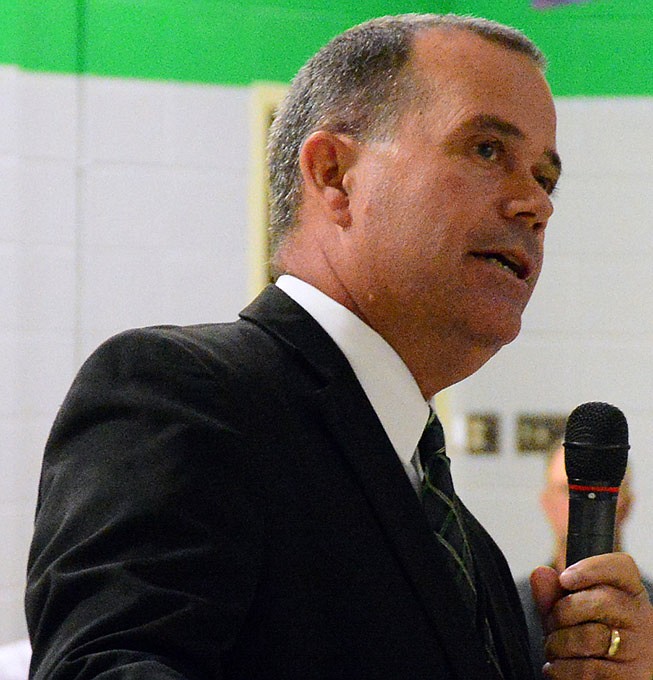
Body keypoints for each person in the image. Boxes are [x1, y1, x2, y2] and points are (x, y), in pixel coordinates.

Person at [26, 13, 653, 680]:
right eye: (486, 150)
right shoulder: (181, 398)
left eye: (545, 177)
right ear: (334, 174)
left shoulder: (475, 555)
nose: (535, 204)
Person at [517, 443, 653, 676]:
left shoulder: (648, 610)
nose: (584, 504)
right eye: (567, 490)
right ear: (546, 502)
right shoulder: (512, 606)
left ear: (627, 504)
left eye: (603, 492)